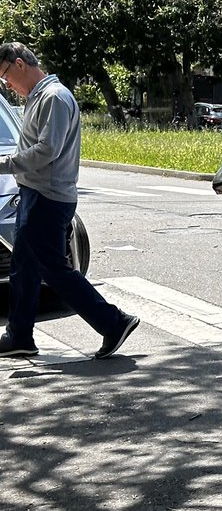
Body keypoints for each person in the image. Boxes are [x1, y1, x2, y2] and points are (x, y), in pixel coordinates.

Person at [0, 42, 139, 359]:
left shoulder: (54, 98)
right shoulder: (39, 98)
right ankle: (19, 335)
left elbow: (45, 152)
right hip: (35, 194)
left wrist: (4, 164)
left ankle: (113, 322)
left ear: (20, 64)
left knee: (54, 270)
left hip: (48, 197)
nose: (7, 85)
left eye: (6, 76)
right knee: (23, 267)